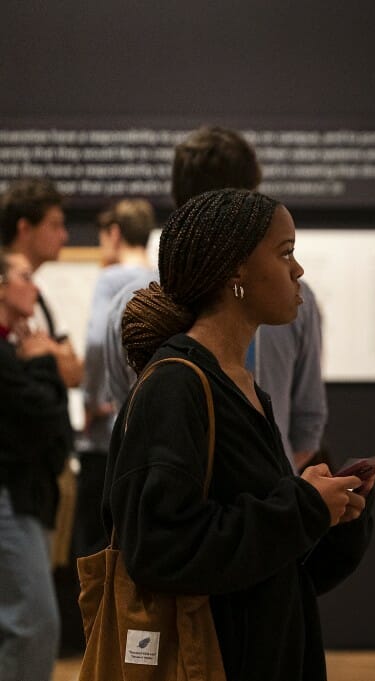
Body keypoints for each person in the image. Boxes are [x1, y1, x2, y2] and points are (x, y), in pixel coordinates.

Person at [103, 189, 374, 681]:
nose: (298, 271)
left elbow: (274, 570)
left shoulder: (243, 385)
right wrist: (301, 507)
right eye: (285, 252)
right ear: (236, 272)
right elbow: (161, 549)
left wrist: (330, 514)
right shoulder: (175, 386)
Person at [101, 126, 326, 471]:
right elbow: (306, 425)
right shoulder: (146, 318)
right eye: (285, 253)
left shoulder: (128, 303)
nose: (296, 270)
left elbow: (124, 412)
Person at [0, 249, 74, 680]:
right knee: (34, 623)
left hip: (24, 499)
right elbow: (48, 419)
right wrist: (45, 360)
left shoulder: (15, 349)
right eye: (25, 275)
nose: (36, 285)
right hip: (11, 500)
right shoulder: (10, 355)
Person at [78, 199, 157, 556]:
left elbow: (96, 342)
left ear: (114, 233)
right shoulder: (162, 278)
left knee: (98, 547)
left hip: (110, 429)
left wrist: (91, 401)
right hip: (150, 428)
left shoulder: (112, 280)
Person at [0, 178, 83, 387]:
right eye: (54, 225)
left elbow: (75, 373)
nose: (64, 236)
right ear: (25, 228)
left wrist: (47, 349)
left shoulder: (42, 295)